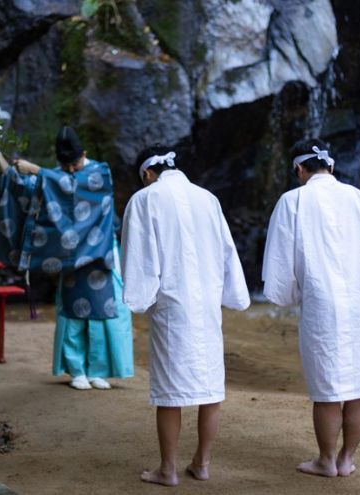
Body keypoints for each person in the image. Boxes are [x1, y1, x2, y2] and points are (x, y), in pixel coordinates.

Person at [262, 138, 360, 478]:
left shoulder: (292, 200)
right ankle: (346, 459)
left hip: (322, 304)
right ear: (332, 167)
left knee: (328, 388)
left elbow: (281, 264)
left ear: (299, 169)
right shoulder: (358, 198)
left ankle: (325, 460)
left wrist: (289, 295)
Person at [121, 146, 250, 486]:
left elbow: (139, 257)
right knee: (209, 388)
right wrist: (233, 295)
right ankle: (202, 463)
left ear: (147, 174)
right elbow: (227, 250)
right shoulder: (207, 199)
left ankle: (168, 469)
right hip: (206, 305)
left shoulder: (145, 200)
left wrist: (138, 299)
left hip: (171, 307)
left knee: (169, 392)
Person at [0, 126, 133, 390]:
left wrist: (38, 170)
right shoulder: (55, 176)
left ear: (84, 154)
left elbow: (74, 186)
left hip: (100, 252)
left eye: (75, 163)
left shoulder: (101, 172)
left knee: (101, 311)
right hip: (71, 256)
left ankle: (99, 371)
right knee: (73, 313)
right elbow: (21, 185)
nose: (72, 170)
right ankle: (76, 370)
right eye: (67, 166)